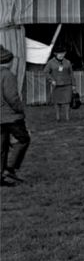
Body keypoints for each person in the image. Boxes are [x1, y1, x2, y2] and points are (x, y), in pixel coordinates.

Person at [0, 46, 31, 186]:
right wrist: (20, 110)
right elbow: (12, 97)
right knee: (23, 139)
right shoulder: (7, 75)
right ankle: (10, 168)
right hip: (11, 116)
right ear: (8, 61)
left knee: (2, 145)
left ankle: (1, 176)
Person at [43, 46, 76, 121]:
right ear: (55, 54)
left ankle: (67, 117)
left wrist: (74, 85)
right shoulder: (51, 62)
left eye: (63, 53)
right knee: (57, 102)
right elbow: (45, 72)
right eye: (59, 53)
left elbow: (71, 74)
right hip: (56, 85)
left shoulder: (67, 62)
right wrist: (51, 80)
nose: (61, 55)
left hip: (67, 84)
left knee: (67, 101)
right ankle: (58, 117)